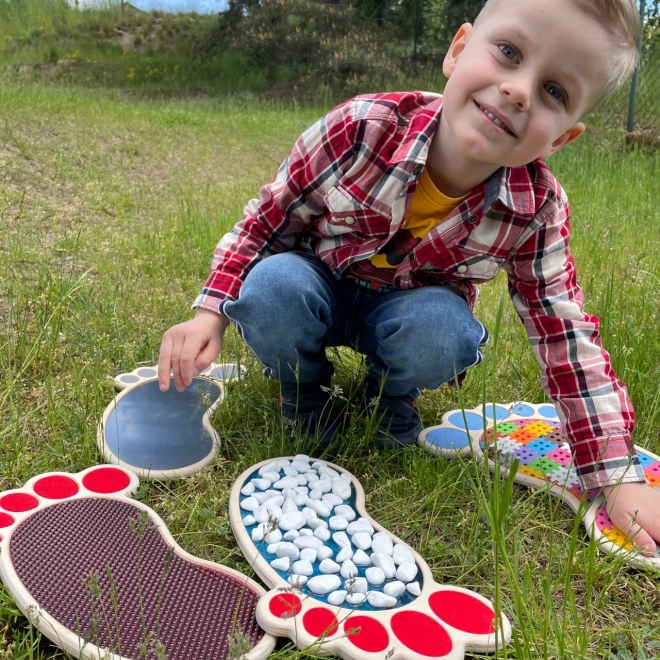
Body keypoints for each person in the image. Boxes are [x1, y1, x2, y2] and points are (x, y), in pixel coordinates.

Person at [158, 0, 660, 555]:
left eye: (554, 92)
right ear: (458, 49)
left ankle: (388, 396)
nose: (519, 90)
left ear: (561, 139)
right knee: (272, 287)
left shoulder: (536, 208)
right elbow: (267, 220)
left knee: (446, 330)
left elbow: (563, 335)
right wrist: (210, 312)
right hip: (314, 286)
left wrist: (616, 476)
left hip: (408, 314)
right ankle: (301, 392)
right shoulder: (360, 127)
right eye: (510, 53)